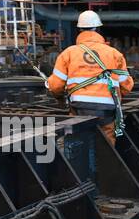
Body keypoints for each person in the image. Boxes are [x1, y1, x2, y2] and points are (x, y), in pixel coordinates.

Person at [46, 10, 134, 145]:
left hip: (78, 110)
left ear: (79, 30)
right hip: (106, 112)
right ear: (98, 29)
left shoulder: (68, 53)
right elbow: (126, 86)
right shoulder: (114, 54)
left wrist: (60, 98)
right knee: (106, 151)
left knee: (78, 148)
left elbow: (55, 86)